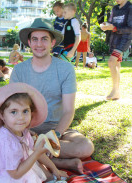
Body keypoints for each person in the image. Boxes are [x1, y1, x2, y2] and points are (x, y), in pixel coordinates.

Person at [9, 18, 94, 174]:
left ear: (53, 42)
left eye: (44, 39)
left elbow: (68, 110)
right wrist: (27, 132)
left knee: (86, 147)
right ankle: (62, 163)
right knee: (3, 138)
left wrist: (55, 135)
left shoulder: (66, 69)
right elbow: (12, 109)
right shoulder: (19, 70)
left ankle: (39, 156)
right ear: (29, 42)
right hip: (27, 129)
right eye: (34, 39)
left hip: (57, 128)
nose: (39, 44)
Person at [0, 83, 68, 182]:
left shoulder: (23, 131)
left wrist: (54, 169)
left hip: (19, 164)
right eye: (14, 112)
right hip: (6, 176)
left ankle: (52, 177)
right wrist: (36, 153)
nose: (21, 118)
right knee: (33, 168)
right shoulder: (6, 140)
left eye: (25, 111)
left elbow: (34, 151)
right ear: (2, 115)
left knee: (40, 168)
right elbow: (15, 174)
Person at [100, 0, 132, 100]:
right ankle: (117, 92)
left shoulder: (130, 8)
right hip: (114, 40)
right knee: (116, 65)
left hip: (124, 40)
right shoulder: (114, 8)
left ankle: (114, 90)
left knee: (111, 62)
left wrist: (114, 28)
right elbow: (111, 23)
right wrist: (106, 25)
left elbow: (131, 28)